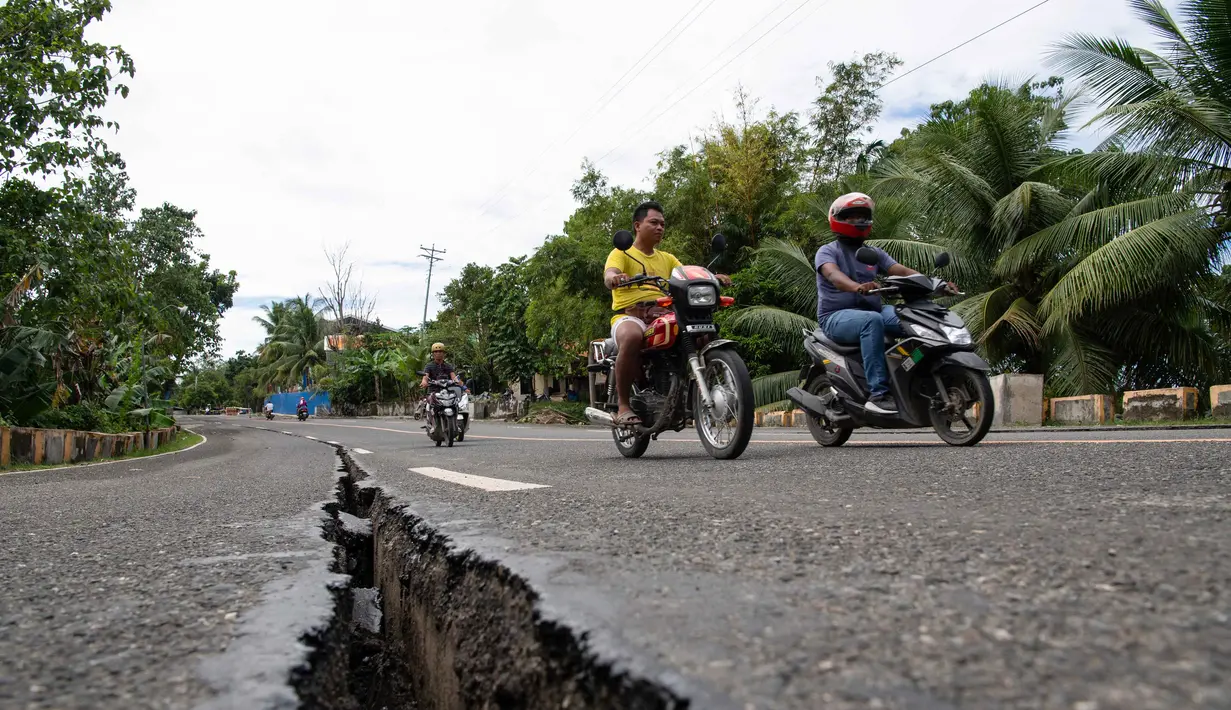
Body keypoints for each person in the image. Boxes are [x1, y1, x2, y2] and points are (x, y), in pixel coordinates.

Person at [815, 192, 956, 415]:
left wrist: (935, 284)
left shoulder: (874, 253)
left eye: (863, 216)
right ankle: (878, 394)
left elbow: (901, 271)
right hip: (835, 317)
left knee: (914, 318)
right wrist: (857, 286)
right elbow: (833, 275)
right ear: (839, 219)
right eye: (853, 216)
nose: (859, 220)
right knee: (871, 321)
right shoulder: (828, 251)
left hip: (874, 310)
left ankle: (912, 375)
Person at [603, 200, 732, 426]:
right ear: (637, 226)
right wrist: (615, 278)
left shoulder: (668, 258)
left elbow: (686, 275)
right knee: (632, 336)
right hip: (631, 316)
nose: (660, 227)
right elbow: (609, 274)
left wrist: (710, 277)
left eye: (662, 224)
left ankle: (692, 392)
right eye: (654, 223)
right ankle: (623, 405)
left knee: (703, 334)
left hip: (664, 314)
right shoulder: (622, 253)